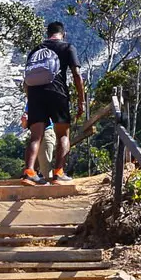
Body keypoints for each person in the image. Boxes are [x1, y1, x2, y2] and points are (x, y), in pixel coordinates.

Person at [20, 21, 84, 186]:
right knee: (62, 134)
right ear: (64, 33)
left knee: (36, 136)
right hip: (57, 92)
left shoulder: (36, 49)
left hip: (35, 94)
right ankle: (58, 173)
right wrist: (81, 101)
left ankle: (29, 173)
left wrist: (31, 100)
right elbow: (76, 74)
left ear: (47, 34)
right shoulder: (67, 47)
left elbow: (27, 80)